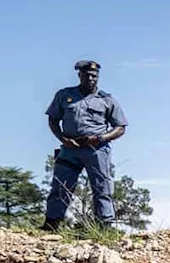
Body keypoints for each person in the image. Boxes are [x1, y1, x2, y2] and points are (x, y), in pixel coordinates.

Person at [43, 60, 128, 231]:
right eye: (87, 75)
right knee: (60, 185)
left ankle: (105, 226)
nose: (91, 79)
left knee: (101, 187)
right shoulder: (64, 95)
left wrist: (101, 138)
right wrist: (62, 138)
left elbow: (120, 128)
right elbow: (53, 119)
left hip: (96, 150)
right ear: (79, 75)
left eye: (94, 76)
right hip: (69, 149)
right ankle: (51, 224)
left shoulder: (107, 99)